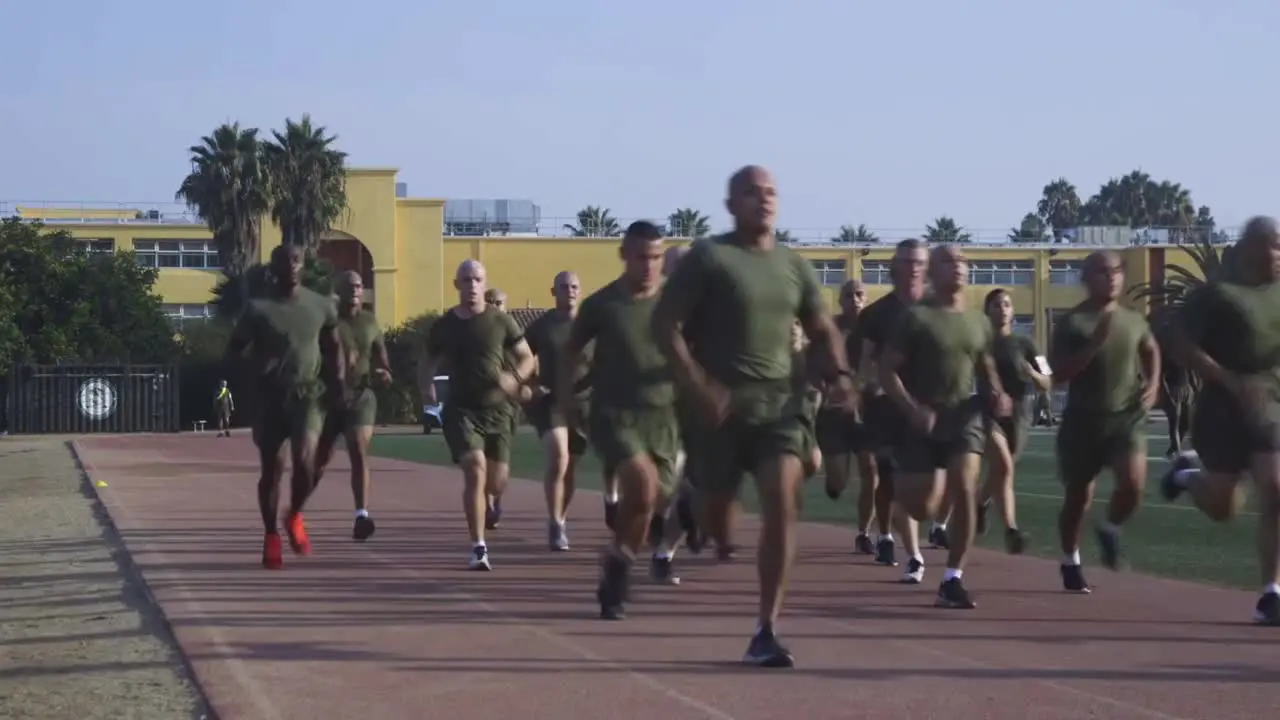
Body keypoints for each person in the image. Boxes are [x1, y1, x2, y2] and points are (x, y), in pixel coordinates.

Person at [654, 165, 856, 668]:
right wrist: (699, 384)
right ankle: (693, 511)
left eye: (770, 192)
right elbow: (664, 325)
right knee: (719, 522)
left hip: (779, 407)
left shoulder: (794, 265)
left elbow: (822, 327)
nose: (763, 200)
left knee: (783, 495)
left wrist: (841, 376)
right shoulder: (709, 257)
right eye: (750, 192)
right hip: (717, 410)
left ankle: (766, 628)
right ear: (730, 205)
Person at [878, 244, 1011, 609]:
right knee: (921, 507)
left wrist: (997, 392)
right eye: (948, 261)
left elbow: (985, 366)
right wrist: (910, 408)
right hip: (919, 419)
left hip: (964, 416)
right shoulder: (914, 318)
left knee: (965, 489)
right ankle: (913, 512)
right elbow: (886, 370)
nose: (957, 266)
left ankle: (953, 578)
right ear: (932, 273)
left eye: (962, 261)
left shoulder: (977, 321)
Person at [1163, 216, 1280, 624]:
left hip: (1269, 408)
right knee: (1223, 507)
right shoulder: (1216, 295)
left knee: (1277, 489)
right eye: (1274, 246)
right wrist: (1228, 378)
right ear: (1251, 248)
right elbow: (1181, 346)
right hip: (1221, 411)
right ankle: (1185, 475)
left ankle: (1271, 594)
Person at [561, 221, 681, 617]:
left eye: (656, 257)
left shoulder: (677, 303)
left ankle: (617, 562)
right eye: (641, 257)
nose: (649, 265)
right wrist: (567, 399)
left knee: (645, 506)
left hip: (664, 420)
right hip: (615, 415)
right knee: (644, 487)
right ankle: (620, 564)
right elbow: (570, 353)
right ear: (624, 256)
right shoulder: (602, 306)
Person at [223, 244, 344, 570]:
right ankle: (271, 535)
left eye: (296, 260)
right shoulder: (258, 309)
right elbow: (233, 352)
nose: (290, 265)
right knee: (272, 471)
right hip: (269, 397)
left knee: (306, 463)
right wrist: (253, 369)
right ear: (273, 268)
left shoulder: (320, 305)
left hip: (308, 394)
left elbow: (333, 349)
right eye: (284, 261)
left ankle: (294, 513)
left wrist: (339, 384)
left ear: (302, 266)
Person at [1049, 250, 1160, 592]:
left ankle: (1110, 528)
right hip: (1082, 423)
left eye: (1116, 271)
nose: (1111, 277)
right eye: (1101, 272)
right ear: (1086, 278)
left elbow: (1151, 349)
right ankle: (1070, 559)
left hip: (1125, 419)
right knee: (1078, 498)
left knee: (1134, 483)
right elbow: (1056, 375)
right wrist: (1094, 344)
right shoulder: (1071, 323)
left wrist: (1153, 384)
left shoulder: (1133, 319)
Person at [420, 261, 535, 570]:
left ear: (484, 284)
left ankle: (491, 502)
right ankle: (478, 547)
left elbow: (526, 358)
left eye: (478, 279)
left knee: (497, 482)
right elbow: (428, 360)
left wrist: (516, 379)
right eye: (466, 280)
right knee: (475, 467)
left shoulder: (502, 322)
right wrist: (426, 387)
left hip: (499, 410)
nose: (472, 285)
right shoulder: (445, 325)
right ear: (457, 284)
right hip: (461, 409)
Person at [856, 238, 929, 576]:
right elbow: (866, 360)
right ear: (894, 266)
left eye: (919, 262)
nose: (913, 267)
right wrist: (867, 385)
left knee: (921, 485)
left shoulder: (936, 309)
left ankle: (920, 530)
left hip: (927, 407)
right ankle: (891, 539)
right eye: (907, 261)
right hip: (886, 407)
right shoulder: (876, 313)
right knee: (887, 478)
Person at [312, 271, 391, 542]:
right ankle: (296, 508)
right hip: (328, 398)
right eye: (350, 286)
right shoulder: (327, 320)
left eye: (359, 285)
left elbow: (382, 356)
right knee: (320, 459)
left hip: (361, 396)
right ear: (338, 289)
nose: (356, 289)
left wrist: (383, 371)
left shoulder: (370, 321)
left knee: (358, 448)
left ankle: (361, 515)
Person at [814, 279, 886, 555]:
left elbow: (885, 364)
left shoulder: (874, 329)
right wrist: (827, 390)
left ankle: (863, 533)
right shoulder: (829, 328)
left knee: (871, 470)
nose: (854, 299)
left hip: (866, 413)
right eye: (849, 295)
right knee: (838, 481)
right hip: (833, 414)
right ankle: (833, 483)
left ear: (865, 299)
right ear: (840, 300)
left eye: (859, 295)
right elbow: (815, 365)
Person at [524, 271, 590, 551]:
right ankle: (554, 523)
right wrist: (530, 384)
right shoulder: (542, 326)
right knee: (559, 456)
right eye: (564, 287)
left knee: (571, 467)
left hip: (583, 404)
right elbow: (519, 358)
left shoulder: (591, 327)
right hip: (552, 401)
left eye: (574, 286)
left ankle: (561, 517)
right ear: (554, 292)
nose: (570, 291)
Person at [975, 288, 1045, 553]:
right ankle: (1012, 530)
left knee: (1003, 472)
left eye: (1006, 304)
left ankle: (981, 502)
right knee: (1003, 464)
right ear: (987, 312)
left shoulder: (1028, 344)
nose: (1002, 309)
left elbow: (1048, 381)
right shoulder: (979, 344)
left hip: (1020, 414)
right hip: (987, 412)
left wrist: (1034, 375)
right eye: (995, 305)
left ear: (1012, 311)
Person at [482, 288, 515, 529]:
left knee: (500, 461)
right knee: (480, 459)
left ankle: (497, 496)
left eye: (499, 302)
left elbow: (529, 363)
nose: (494, 305)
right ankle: (486, 504)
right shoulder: (478, 333)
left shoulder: (514, 336)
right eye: (490, 301)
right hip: (478, 407)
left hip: (507, 407)